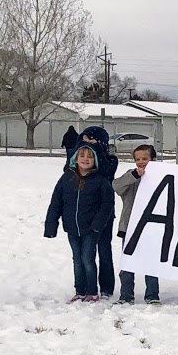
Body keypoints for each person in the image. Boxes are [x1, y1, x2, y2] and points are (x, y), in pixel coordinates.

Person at [44, 144, 115, 302]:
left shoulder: (100, 180)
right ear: (75, 159)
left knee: (88, 259)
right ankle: (80, 291)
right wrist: (51, 225)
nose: (85, 159)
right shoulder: (66, 179)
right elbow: (56, 202)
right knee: (77, 259)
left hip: (90, 229)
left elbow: (107, 204)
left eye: (89, 157)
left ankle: (92, 292)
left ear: (95, 161)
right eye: (82, 156)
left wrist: (98, 224)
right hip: (71, 227)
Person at [72, 126, 118, 297]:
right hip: (84, 215)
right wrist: (80, 145)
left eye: (93, 141)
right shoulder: (77, 159)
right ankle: (84, 287)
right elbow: (70, 168)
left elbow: (104, 171)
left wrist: (97, 147)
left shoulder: (110, 160)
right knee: (84, 255)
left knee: (104, 251)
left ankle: (107, 287)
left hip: (104, 213)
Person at [113, 144, 161, 305]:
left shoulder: (161, 176)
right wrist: (134, 175)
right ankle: (126, 295)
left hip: (151, 228)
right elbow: (116, 186)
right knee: (127, 265)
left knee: (151, 263)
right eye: (138, 159)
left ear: (153, 159)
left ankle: (152, 294)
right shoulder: (130, 176)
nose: (141, 162)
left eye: (145, 159)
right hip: (129, 228)